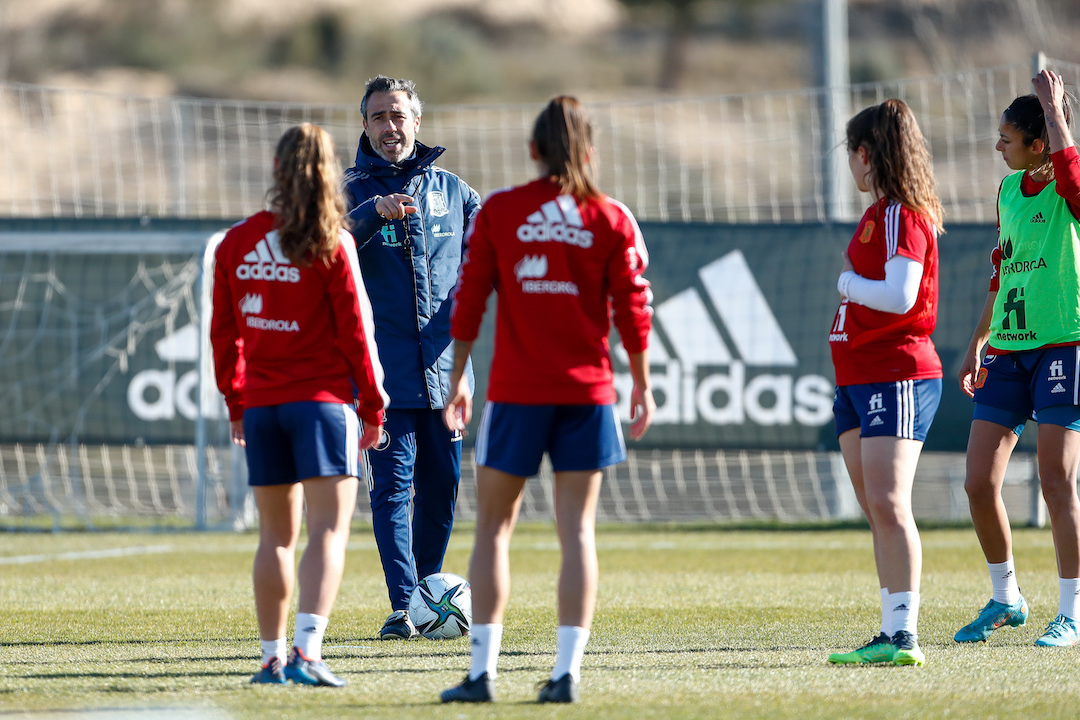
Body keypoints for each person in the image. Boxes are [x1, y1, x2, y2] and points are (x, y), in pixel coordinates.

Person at [438, 96, 655, 704]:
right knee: (577, 534)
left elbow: (469, 300)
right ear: (589, 152)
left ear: (533, 151)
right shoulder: (608, 217)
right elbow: (633, 309)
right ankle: (566, 675)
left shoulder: (501, 211)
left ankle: (481, 675)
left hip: (516, 395)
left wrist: (457, 376)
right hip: (587, 395)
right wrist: (640, 381)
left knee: (492, 533)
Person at [211, 123, 387, 686]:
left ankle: (270, 659)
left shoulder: (237, 243)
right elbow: (358, 333)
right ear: (329, 173)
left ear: (276, 170)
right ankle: (307, 654)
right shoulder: (334, 241)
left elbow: (224, 335)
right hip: (323, 407)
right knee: (327, 534)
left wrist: (237, 403)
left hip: (263, 408)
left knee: (275, 538)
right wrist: (375, 406)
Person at [342, 75, 481, 640]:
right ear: (366, 126)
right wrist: (373, 214)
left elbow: (484, 264)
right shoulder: (347, 191)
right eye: (378, 117)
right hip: (383, 373)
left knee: (442, 489)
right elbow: (322, 245)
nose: (389, 127)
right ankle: (404, 606)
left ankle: (431, 599)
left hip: (446, 373)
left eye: (398, 116)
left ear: (416, 122)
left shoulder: (455, 192)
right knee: (391, 488)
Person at [954, 69, 1080, 648]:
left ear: (1039, 142)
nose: (997, 146)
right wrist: (979, 337)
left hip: (1064, 345)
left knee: (1055, 477)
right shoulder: (1007, 192)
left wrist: (1055, 110)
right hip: (1009, 349)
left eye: (1006, 138)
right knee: (979, 481)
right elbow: (1003, 271)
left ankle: (1072, 612)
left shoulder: (1068, 185)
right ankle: (1007, 599)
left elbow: (1072, 175)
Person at [825, 99, 944, 667]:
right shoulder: (883, 214)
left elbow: (899, 296)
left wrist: (847, 284)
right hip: (857, 377)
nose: (851, 164)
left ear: (866, 154)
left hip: (894, 373)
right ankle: (889, 629)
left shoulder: (900, 213)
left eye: (851, 153)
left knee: (890, 504)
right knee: (877, 508)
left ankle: (903, 636)